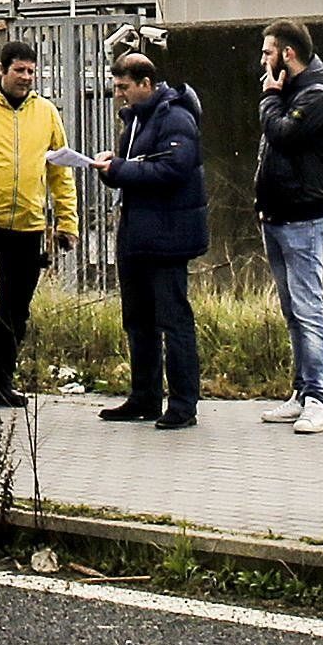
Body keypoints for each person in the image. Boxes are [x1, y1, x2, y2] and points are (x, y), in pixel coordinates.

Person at [0, 38, 78, 408]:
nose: (26, 77)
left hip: (28, 225)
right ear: (1, 70)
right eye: (19, 70)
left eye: (31, 71)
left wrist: (66, 221)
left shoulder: (45, 113)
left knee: (15, 310)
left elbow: (61, 172)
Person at [93, 53, 205, 428]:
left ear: (146, 83)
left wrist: (121, 168)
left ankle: (184, 403)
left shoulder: (175, 117)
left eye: (125, 87)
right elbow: (138, 169)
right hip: (138, 233)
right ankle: (144, 396)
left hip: (167, 236)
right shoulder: (138, 120)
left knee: (173, 319)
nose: (120, 95)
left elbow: (174, 168)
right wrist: (112, 170)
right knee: (138, 318)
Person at [253, 20, 323, 435]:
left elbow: (283, 134)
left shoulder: (317, 96)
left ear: (288, 55)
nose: (263, 61)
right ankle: (301, 390)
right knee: (292, 311)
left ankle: (319, 399)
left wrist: (269, 99)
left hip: (304, 220)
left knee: (308, 310)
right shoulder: (290, 94)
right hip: (275, 216)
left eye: (268, 52)